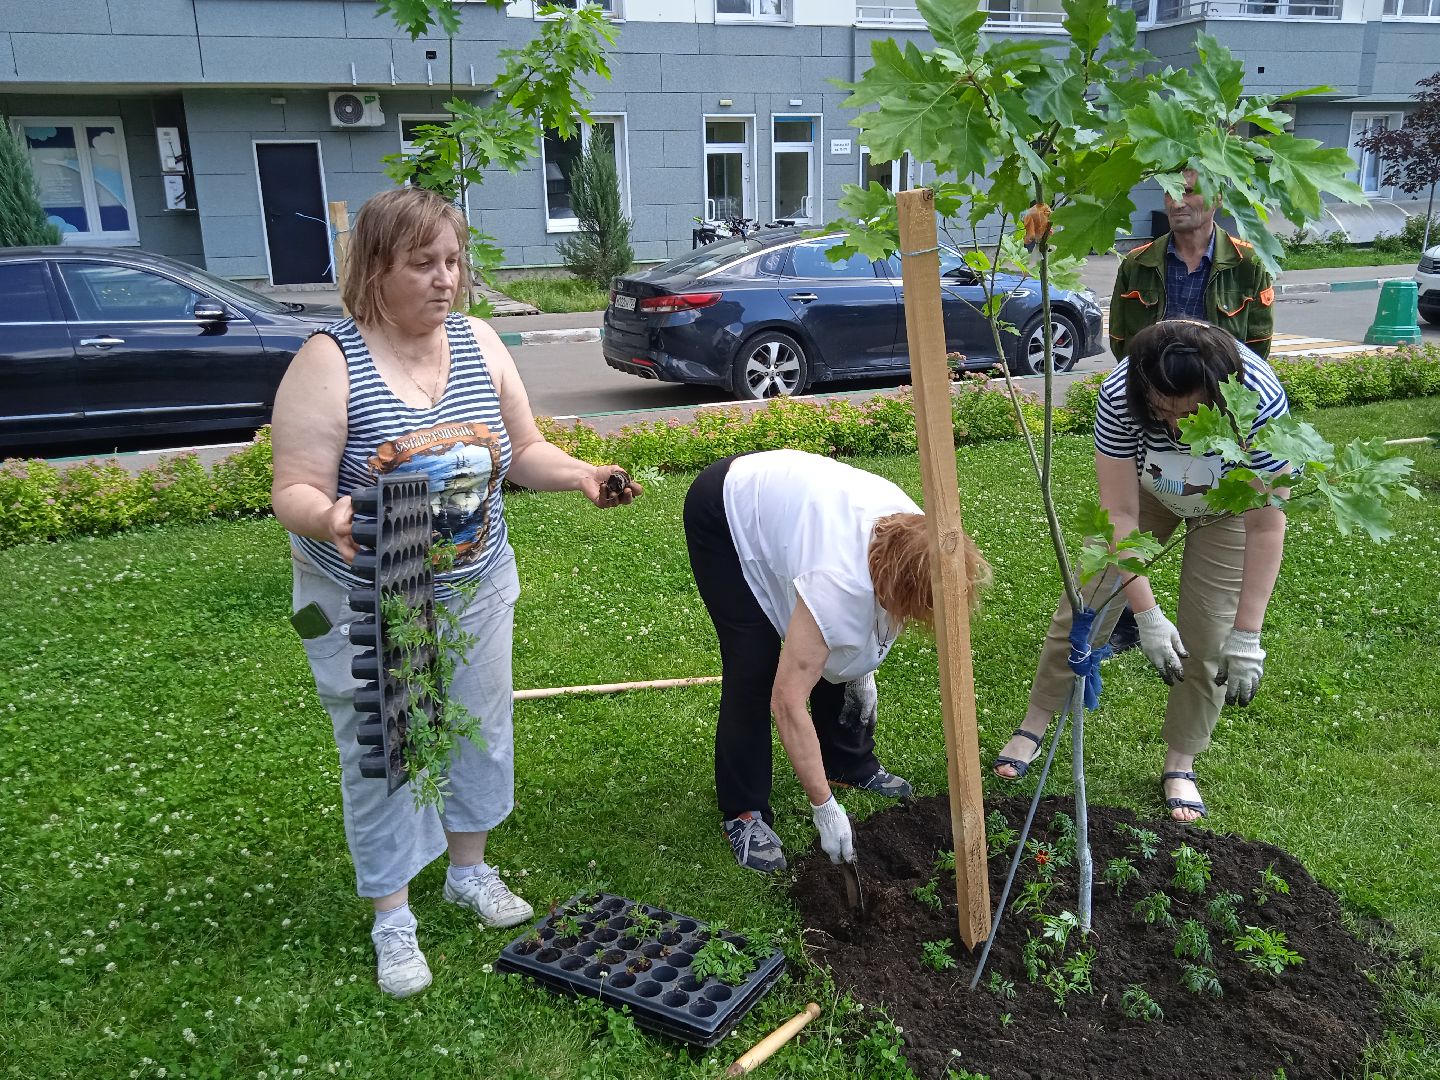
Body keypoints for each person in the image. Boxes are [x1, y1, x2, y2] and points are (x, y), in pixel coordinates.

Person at [270, 187, 640, 999]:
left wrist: (580, 473)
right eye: (423, 264)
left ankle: (468, 871)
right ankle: (392, 917)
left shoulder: (479, 342)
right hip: (370, 600)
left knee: (479, 729)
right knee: (388, 748)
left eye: (453, 261)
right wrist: (328, 514)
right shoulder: (329, 362)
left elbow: (522, 449)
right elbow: (291, 488)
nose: (447, 279)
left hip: (476, 583)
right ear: (375, 269)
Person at [991, 320, 1288, 823]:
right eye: (1161, 412)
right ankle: (1035, 721)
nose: (1174, 427)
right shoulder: (1119, 394)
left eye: (1189, 413)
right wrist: (1146, 615)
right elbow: (1121, 514)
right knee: (1085, 606)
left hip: (1229, 504)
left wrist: (1247, 635)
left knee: (1210, 635)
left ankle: (1181, 761)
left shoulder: (1258, 403)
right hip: (1146, 496)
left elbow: (1265, 526)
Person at [683, 449, 990, 873]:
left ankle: (846, 762)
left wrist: (861, 669)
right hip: (727, 509)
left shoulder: (929, 538)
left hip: (791, 505)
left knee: (828, 633)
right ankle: (744, 812)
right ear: (888, 583)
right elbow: (787, 701)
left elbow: (865, 620)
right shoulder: (838, 582)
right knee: (754, 663)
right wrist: (823, 808)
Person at [1104, 167, 1276, 654]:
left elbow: (1258, 345)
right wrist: (1154, 399)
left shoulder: (1248, 263)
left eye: (1188, 191)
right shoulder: (1137, 263)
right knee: (1106, 567)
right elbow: (1122, 341)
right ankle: (1127, 617)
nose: (1176, 201)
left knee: (1209, 619)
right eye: (1169, 192)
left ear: (1217, 196)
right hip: (1156, 409)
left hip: (1219, 413)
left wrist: (1225, 414)